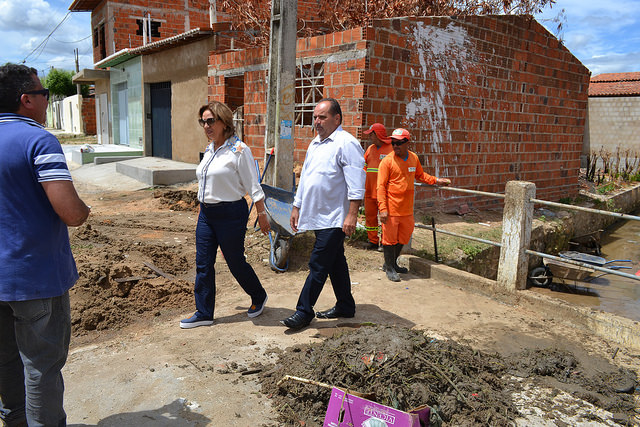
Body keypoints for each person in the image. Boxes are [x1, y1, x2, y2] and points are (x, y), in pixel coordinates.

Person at [0, 63, 91, 426]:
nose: (46, 100)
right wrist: (84, 207)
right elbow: (71, 213)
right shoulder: (38, 140)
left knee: (6, 358)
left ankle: (15, 420)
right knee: (41, 366)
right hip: (34, 277)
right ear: (26, 100)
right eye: (44, 94)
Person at [180, 101, 270, 328]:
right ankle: (204, 312)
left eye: (211, 121)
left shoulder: (238, 150)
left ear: (224, 122)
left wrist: (261, 213)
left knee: (235, 262)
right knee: (203, 263)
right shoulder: (209, 150)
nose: (206, 126)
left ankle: (258, 295)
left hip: (231, 213)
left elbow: (253, 184)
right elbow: (205, 184)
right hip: (206, 215)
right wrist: (202, 208)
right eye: (203, 121)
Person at [281, 98, 366, 330]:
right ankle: (346, 306)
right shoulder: (315, 143)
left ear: (337, 118)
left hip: (336, 217)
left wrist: (352, 215)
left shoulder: (346, 143)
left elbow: (356, 182)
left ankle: (303, 311)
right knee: (336, 261)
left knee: (318, 263)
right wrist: (297, 206)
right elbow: (306, 177)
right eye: (315, 117)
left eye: (322, 117)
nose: (317, 121)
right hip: (318, 216)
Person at [377, 128, 451, 282]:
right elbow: (380, 187)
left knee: (404, 237)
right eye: (393, 142)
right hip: (391, 209)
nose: (395, 145)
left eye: (399, 143)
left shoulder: (413, 158)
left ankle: (391, 264)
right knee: (389, 240)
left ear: (407, 143)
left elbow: (420, 175)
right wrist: (383, 209)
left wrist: (436, 180)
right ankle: (389, 268)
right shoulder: (387, 162)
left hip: (406, 209)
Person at [362, 123, 393, 251]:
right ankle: (373, 241)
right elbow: (364, 166)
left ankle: (385, 243)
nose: (369, 137)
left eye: (371, 134)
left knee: (385, 219)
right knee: (370, 217)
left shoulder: (391, 149)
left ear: (377, 135)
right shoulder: (370, 149)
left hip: (384, 193)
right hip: (369, 191)